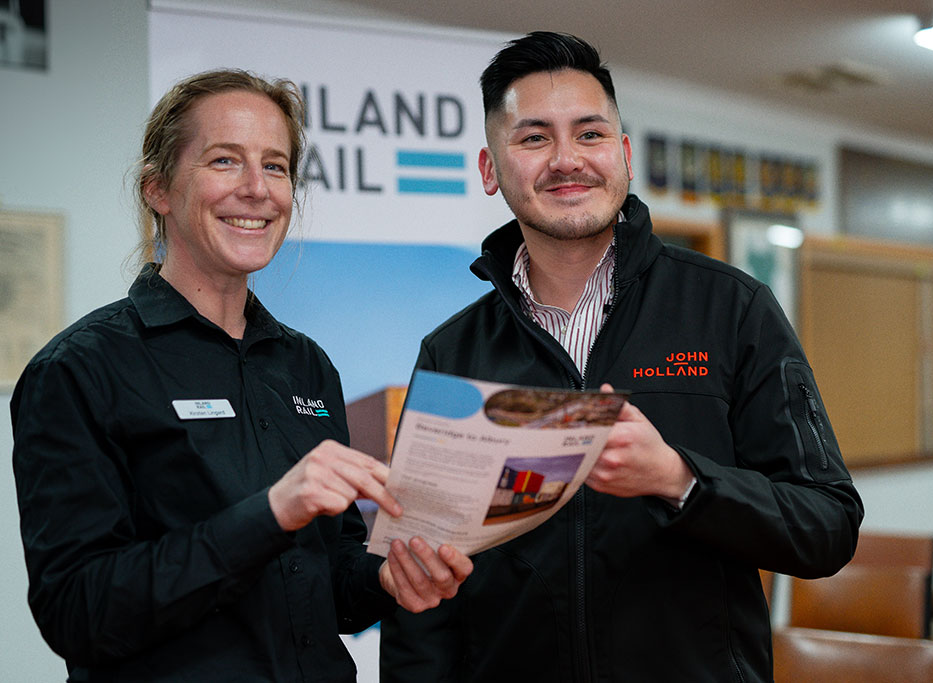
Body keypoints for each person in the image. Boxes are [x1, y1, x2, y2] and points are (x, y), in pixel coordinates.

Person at [380, 32, 863, 682]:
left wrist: (679, 479)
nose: (566, 159)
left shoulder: (731, 308)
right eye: (532, 138)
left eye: (590, 134)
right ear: (491, 169)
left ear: (624, 154)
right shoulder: (453, 349)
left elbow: (827, 526)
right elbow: (422, 588)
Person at [11, 69, 472, 682]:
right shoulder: (79, 369)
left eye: (276, 166)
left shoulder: (307, 364)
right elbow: (77, 612)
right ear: (159, 189)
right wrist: (273, 512)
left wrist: (385, 577)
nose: (257, 189)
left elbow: (327, 579)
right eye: (225, 161)